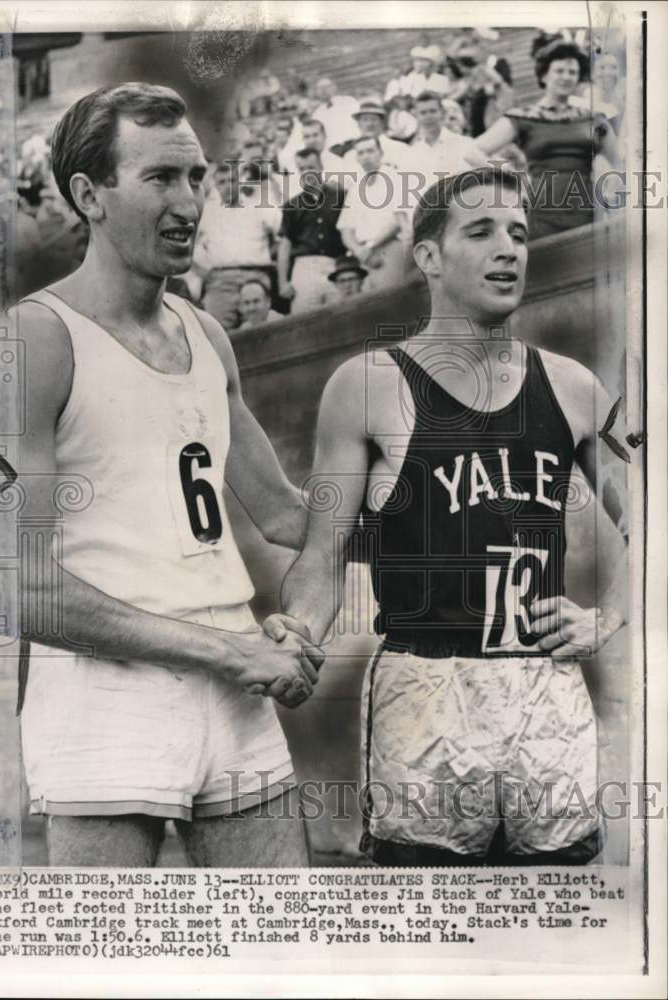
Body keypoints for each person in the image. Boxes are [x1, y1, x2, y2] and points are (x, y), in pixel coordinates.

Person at [0, 83, 323, 868]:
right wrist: (229, 651)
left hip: (239, 691)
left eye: (196, 177)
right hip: (107, 697)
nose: (188, 202)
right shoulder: (36, 339)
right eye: (160, 179)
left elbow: (285, 515)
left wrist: (414, 513)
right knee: (106, 969)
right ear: (88, 195)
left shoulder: (207, 331)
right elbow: (19, 588)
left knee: (282, 957)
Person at [265, 167, 627, 866]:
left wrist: (606, 617)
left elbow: (650, 522)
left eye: (520, 234)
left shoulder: (575, 386)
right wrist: (301, 629)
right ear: (428, 256)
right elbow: (322, 554)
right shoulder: (368, 385)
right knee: (431, 932)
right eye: (482, 230)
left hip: (541, 686)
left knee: (556, 934)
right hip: (425, 686)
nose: (510, 249)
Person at [475, 37, 620, 239]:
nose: (566, 77)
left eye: (572, 72)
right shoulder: (524, 117)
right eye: (559, 71)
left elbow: (620, 161)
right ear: (544, 76)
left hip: (586, 213)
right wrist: (509, 175)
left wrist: (610, 193)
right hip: (541, 214)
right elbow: (472, 151)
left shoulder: (593, 118)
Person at [192, 162, 281, 329]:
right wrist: (203, 272)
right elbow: (187, 245)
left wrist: (272, 254)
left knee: (263, 331)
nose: (228, 186)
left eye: (232, 180)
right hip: (221, 281)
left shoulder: (258, 205)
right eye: (222, 182)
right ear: (216, 185)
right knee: (218, 333)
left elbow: (283, 234)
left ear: (240, 181)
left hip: (256, 276)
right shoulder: (207, 212)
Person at [278, 147, 346, 314]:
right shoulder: (291, 206)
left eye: (311, 167)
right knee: (304, 319)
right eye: (302, 169)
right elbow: (285, 245)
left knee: (340, 316)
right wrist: (282, 282)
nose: (307, 173)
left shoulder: (341, 197)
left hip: (335, 265)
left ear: (321, 167)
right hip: (305, 268)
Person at [336, 135, 408, 292]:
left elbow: (397, 222)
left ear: (380, 153)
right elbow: (346, 230)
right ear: (357, 158)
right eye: (361, 153)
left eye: (370, 151)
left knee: (391, 301)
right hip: (363, 257)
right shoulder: (356, 187)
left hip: (389, 248)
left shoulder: (395, 178)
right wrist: (359, 251)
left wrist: (371, 247)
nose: (366, 156)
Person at [410, 91, 486, 192]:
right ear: (416, 116)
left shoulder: (462, 143)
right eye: (423, 113)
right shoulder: (415, 151)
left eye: (433, 111)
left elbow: (489, 171)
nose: (428, 117)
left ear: (442, 113)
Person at [339, 98, 418, 175]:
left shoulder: (401, 149)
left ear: (382, 122)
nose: (369, 124)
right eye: (365, 120)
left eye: (374, 119)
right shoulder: (350, 156)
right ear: (358, 124)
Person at [311, 77, 361, 149]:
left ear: (334, 87)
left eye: (327, 87)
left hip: (352, 142)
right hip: (333, 148)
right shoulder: (317, 114)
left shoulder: (348, 101)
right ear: (316, 92)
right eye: (320, 88)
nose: (324, 91)